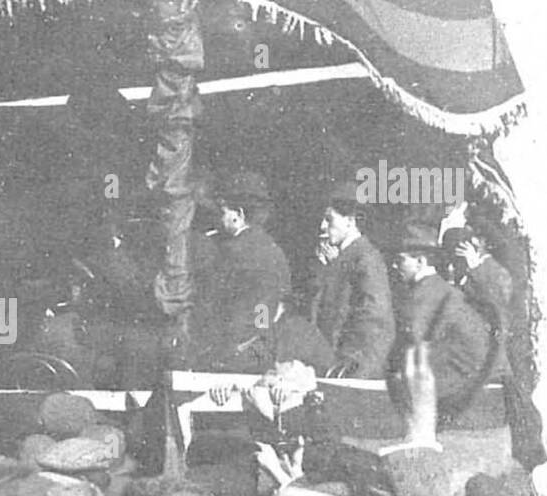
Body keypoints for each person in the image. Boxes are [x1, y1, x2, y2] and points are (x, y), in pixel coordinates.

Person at [191, 172, 292, 368]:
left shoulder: (228, 252)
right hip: (265, 349)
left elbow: (209, 304)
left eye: (223, 212)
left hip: (229, 353)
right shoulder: (275, 251)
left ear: (239, 215)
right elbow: (280, 307)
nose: (219, 220)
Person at [389, 223, 493, 406]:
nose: (395, 265)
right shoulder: (438, 287)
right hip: (465, 376)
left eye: (400, 260)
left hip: (455, 382)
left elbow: (413, 341)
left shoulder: (425, 292)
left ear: (421, 262)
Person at [309, 192, 395, 378]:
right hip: (334, 362)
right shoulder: (347, 257)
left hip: (354, 368)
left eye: (329, 219)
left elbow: (374, 315)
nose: (322, 226)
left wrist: (352, 361)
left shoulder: (365, 257)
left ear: (350, 221)